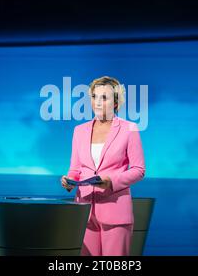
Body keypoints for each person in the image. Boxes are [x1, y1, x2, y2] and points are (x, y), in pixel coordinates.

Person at [61, 76, 146, 256]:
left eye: (104, 98)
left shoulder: (129, 128)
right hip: (85, 211)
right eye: (94, 96)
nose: (97, 102)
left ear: (116, 102)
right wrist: (69, 181)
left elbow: (139, 170)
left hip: (115, 212)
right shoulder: (79, 130)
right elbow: (75, 168)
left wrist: (111, 181)